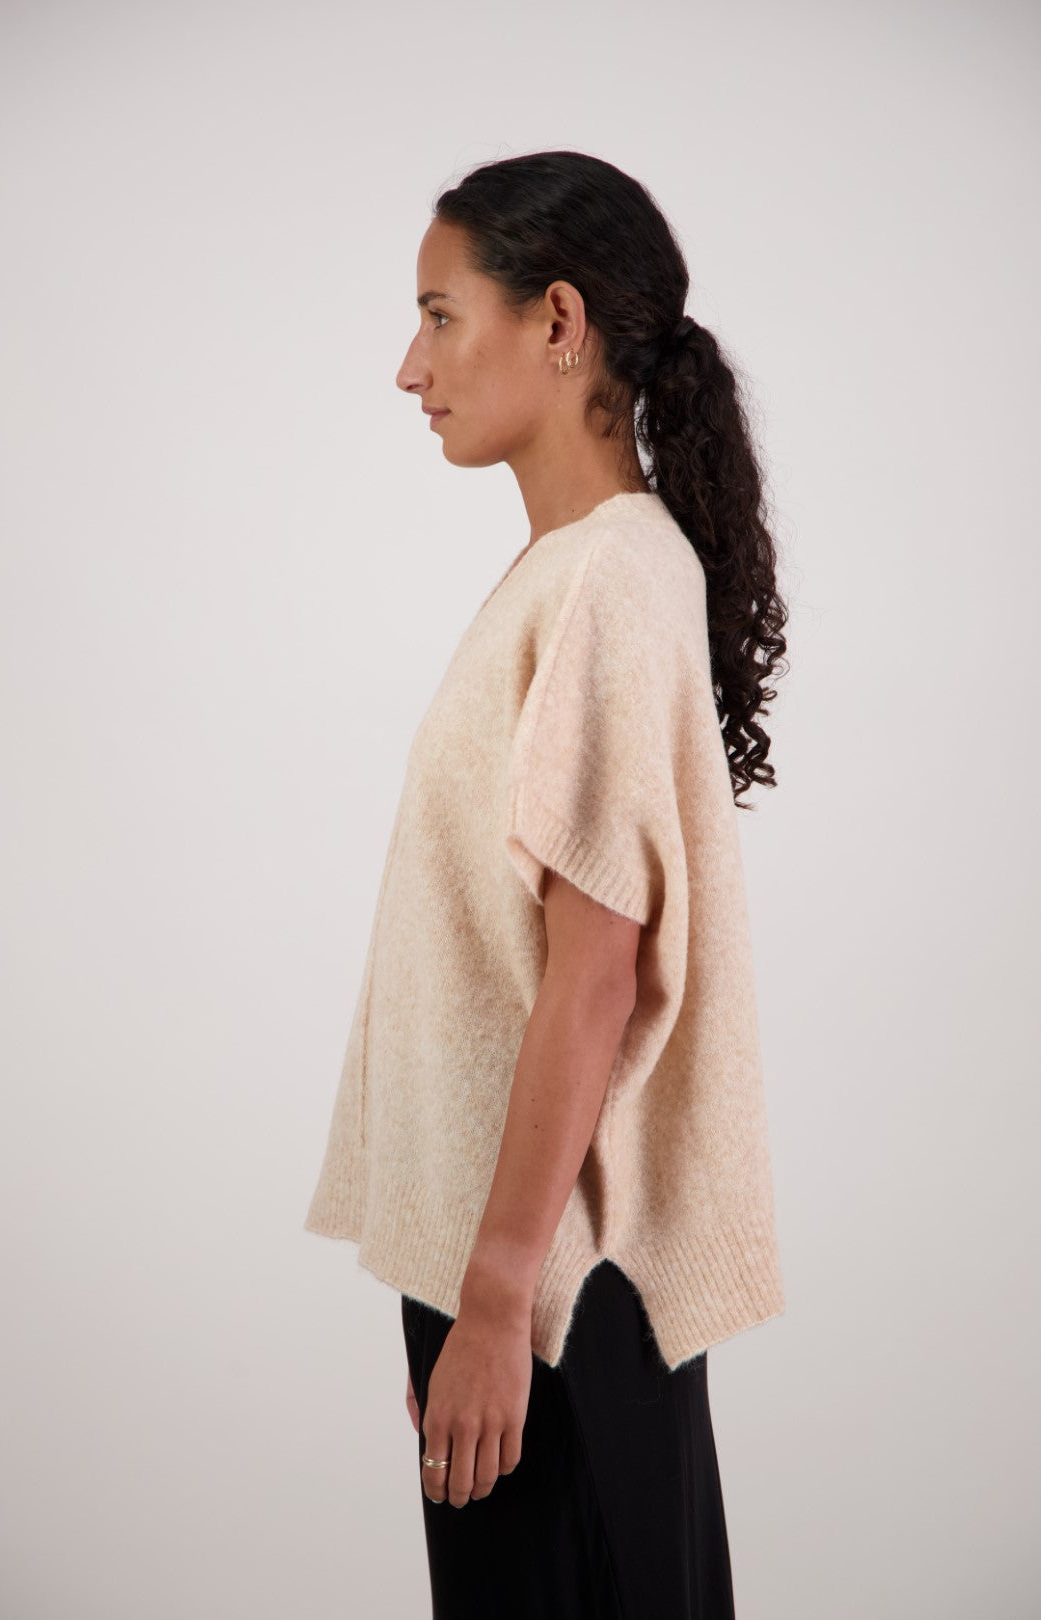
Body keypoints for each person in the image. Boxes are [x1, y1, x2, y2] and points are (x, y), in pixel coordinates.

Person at [303, 148, 789, 1618]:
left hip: (558, 1285)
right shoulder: (579, 571)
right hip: (525, 1267)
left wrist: (499, 1296)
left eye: (440, 316)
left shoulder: (608, 579)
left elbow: (596, 971)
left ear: (559, 322)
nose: (411, 367)